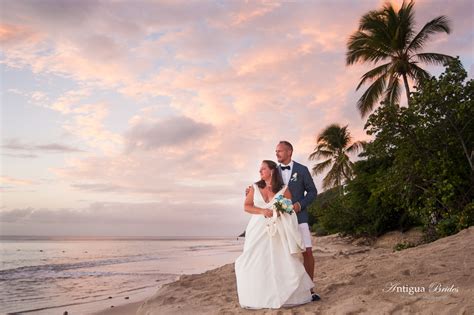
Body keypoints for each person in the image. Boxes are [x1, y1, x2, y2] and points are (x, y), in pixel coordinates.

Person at [235, 160, 314, 309]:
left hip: (278, 228)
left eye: (263, 169)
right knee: (255, 259)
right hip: (257, 229)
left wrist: (281, 211)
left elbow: (289, 208)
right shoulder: (254, 187)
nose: (260, 171)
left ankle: (286, 294)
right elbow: (247, 206)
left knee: (280, 259)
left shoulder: (284, 189)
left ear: (271, 171)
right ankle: (257, 295)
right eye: (259, 169)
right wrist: (262, 211)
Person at [275, 141, 320, 301]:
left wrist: (300, 204)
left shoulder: (302, 170)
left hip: (300, 218)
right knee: (283, 255)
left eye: (280, 151)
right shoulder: (274, 172)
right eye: (276, 151)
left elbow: (313, 192)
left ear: (289, 151)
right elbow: (264, 187)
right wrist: (251, 190)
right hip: (280, 220)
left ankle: (310, 290)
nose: (277, 154)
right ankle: (287, 290)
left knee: (307, 252)